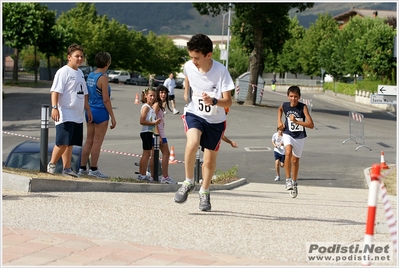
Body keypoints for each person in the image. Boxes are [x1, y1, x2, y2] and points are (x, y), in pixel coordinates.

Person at [174, 33, 235, 211]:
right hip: (194, 113)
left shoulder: (221, 71)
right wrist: (187, 94)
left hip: (215, 120)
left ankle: (205, 192)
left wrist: (214, 101)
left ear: (208, 55)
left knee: (208, 161)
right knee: (192, 143)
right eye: (191, 57)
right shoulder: (189, 66)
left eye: (197, 58)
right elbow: (188, 75)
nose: (193, 61)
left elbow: (228, 101)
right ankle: (188, 182)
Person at [47, 44, 92, 177]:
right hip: (65, 113)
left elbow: (84, 94)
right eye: (76, 56)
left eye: (81, 56)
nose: (79, 59)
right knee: (62, 142)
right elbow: (55, 91)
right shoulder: (63, 72)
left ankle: (67, 168)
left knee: (70, 143)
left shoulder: (80, 73)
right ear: (69, 57)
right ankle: (52, 164)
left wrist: (88, 110)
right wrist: (54, 108)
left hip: (77, 114)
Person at [78, 52, 116, 178]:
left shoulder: (91, 75)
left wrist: (87, 109)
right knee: (97, 142)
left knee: (88, 140)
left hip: (90, 110)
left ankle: (82, 167)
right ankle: (93, 169)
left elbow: (86, 94)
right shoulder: (103, 78)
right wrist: (112, 116)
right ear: (107, 63)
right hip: (100, 111)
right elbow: (106, 99)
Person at [277, 85, 314, 191]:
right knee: (288, 152)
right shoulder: (285, 105)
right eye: (291, 96)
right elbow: (279, 110)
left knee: (295, 160)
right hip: (288, 133)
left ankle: (294, 181)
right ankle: (288, 180)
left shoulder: (303, 107)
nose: (293, 99)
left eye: (296, 96)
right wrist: (279, 121)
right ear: (288, 96)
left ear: (299, 97)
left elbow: (311, 125)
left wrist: (297, 121)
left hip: (300, 136)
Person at [153, 85, 177, 184]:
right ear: (158, 93)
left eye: (165, 93)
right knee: (166, 153)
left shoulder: (161, 105)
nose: (163, 95)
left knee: (155, 155)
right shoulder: (157, 104)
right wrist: (157, 134)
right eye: (161, 92)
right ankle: (165, 176)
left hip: (160, 132)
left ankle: (155, 176)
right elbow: (153, 119)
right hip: (159, 134)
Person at [138, 88, 161, 181]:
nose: (152, 97)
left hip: (149, 132)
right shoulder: (146, 107)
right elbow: (142, 121)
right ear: (145, 96)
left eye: (154, 96)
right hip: (145, 132)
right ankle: (142, 174)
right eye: (150, 95)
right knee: (146, 154)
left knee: (147, 154)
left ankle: (143, 174)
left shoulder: (150, 107)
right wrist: (154, 123)